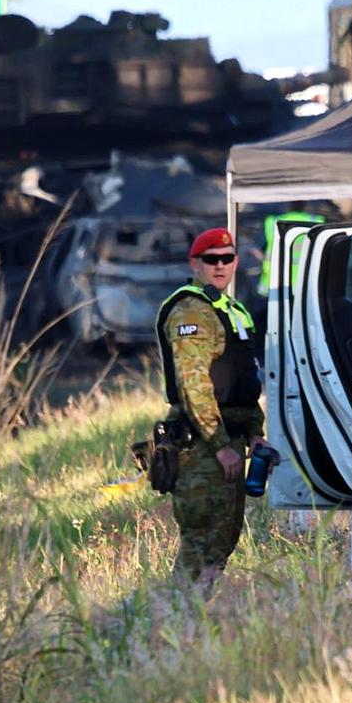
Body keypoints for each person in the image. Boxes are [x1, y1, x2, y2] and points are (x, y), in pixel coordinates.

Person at [156, 227, 273, 586]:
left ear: (236, 262)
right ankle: (176, 617)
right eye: (211, 259)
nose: (220, 265)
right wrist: (221, 447)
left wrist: (255, 434)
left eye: (227, 258)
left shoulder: (232, 310)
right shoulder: (191, 310)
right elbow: (194, 386)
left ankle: (196, 618)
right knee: (201, 540)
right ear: (195, 263)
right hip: (203, 449)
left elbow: (243, 382)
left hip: (229, 443)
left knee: (222, 540)